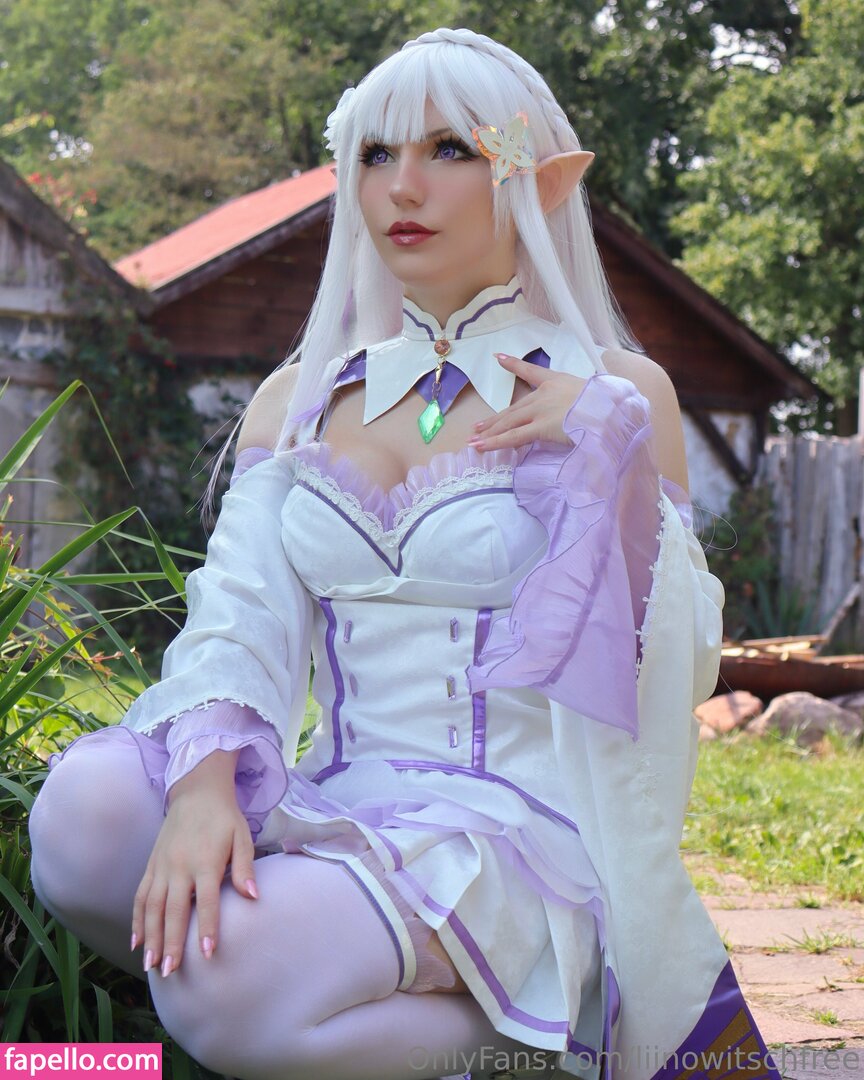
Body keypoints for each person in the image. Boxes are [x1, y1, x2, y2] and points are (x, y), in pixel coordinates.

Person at [29, 26, 783, 1080]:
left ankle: (545, 1036)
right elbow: (238, 612)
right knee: (84, 818)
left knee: (217, 979)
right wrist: (204, 785)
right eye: (376, 154)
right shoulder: (300, 399)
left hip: (514, 834)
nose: (403, 187)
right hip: (341, 795)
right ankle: (304, 996)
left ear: (541, 182)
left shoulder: (618, 393)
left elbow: (673, 663)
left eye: (450, 150)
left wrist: (602, 451)